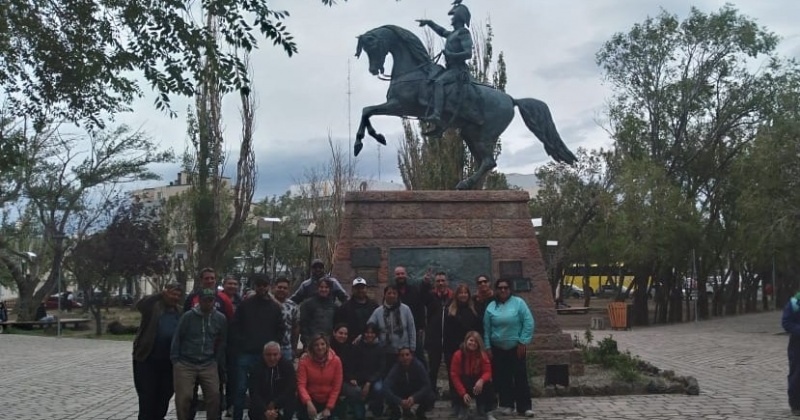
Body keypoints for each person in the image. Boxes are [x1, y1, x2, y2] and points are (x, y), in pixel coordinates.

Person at [415, 0, 474, 137]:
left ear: (459, 17)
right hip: (449, 69)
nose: (451, 19)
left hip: (458, 70)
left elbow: (468, 53)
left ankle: (437, 115)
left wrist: (451, 55)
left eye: (453, 16)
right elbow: (442, 31)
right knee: (430, 80)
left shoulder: (463, 33)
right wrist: (429, 23)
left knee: (439, 83)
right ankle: (438, 122)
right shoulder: (452, 34)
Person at [230, 276, 285, 420]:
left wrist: (273, 347)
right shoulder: (245, 305)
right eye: (259, 285)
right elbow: (235, 327)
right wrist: (242, 343)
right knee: (241, 389)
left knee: (262, 390)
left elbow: (281, 329)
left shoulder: (275, 307)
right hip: (246, 353)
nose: (262, 288)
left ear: (269, 286)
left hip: (265, 357)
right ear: (255, 286)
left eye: (265, 285)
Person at [171, 288, 228, 420]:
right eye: (205, 300)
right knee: (184, 397)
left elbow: (223, 340)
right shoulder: (188, 317)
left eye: (211, 300)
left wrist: (216, 359)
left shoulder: (220, 318)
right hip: (186, 362)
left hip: (208, 362)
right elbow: (177, 337)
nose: (208, 303)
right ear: (199, 301)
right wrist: (176, 361)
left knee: (214, 395)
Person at [483, 279, 535, 418]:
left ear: (510, 289)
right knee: (503, 377)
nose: (503, 290)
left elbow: (528, 322)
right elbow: (486, 329)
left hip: (516, 348)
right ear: (496, 290)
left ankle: (524, 407)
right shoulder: (491, 307)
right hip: (498, 349)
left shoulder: (519, 303)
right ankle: (507, 404)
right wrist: (487, 347)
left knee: (520, 376)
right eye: (500, 288)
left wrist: (523, 342)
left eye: (506, 287)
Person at [132, 282, 184, 420]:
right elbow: (140, 304)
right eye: (172, 293)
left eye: (178, 295)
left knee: (164, 397)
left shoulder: (180, 312)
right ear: (165, 293)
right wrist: (159, 294)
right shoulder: (153, 307)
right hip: (147, 360)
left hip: (169, 363)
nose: (175, 297)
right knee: (147, 398)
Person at [443, 283, 483, 408]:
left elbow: (478, 329)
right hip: (454, 349)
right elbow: (447, 331)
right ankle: (457, 404)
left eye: (465, 292)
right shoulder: (450, 309)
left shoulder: (474, 309)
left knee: (469, 376)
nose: (463, 295)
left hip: (472, 349)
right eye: (460, 292)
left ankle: (472, 402)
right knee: (455, 377)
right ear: (456, 295)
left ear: (469, 294)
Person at [367, 285, 416, 374]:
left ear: (398, 295)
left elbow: (411, 329)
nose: (392, 295)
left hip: (402, 350)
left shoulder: (405, 309)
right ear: (384, 295)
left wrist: (412, 347)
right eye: (389, 293)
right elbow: (369, 327)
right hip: (385, 350)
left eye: (394, 293)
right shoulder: (378, 311)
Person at [296, 333, 344, 420]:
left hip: (329, 399)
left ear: (327, 345)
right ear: (312, 347)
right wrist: (309, 403)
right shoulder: (304, 361)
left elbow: (336, 386)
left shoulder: (336, 361)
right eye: (316, 345)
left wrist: (328, 407)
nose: (320, 347)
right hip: (310, 398)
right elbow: (301, 385)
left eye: (322, 344)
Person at [450, 331, 496, 420]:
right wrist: (463, 393)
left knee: (488, 383)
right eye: (471, 340)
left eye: (476, 342)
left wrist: (481, 380)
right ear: (466, 340)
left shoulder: (482, 355)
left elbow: (488, 371)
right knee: (457, 384)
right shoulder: (457, 355)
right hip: (463, 384)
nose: (473, 343)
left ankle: (486, 409)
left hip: (476, 384)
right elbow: (454, 375)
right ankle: (462, 408)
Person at [421, 271, 453, 393]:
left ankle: (454, 397)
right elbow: (422, 296)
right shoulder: (430, 296)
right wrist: (424, 283)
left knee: (452, 369)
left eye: (443, 280)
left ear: (447, 282)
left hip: (450, 339)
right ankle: (430, 396)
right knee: (432, 370)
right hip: (434, 339)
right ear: (435, 283)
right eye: (438, 281)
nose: (440, 283)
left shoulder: (453, 297)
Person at [248, 342, 297, 420]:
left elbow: (291, 388)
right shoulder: (256, 368)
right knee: (253, 410)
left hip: (280, 403)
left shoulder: (287, 366)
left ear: (280, 355)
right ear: (263, 355)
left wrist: (275, 403)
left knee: (290, 403)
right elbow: (253, 392)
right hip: (263, 404)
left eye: (275, 354)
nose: (272, 358)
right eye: (268, 355)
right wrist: (265, 410)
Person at [384, 347, 436, 420]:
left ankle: (420, 412)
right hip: (401, 393)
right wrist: (399, 401)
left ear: (412, 356)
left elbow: (427, 385)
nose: (405, 357)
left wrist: (414, 397)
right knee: (386, 393)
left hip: (415, 392)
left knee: (431, 396)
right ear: (399, 358)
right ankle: (396, 412)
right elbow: (386, 386)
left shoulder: (418, 365)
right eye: (402, 355)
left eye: (407, 355)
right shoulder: (396, 368)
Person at [348, 322, 386, 419]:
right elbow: (352, 364)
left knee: (379, 389)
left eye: (372, 333)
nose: (369, 335)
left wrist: (369, 382)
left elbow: (381, 369)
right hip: (360, 377)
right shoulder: (358, 346)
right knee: (355, 390)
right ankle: (357, 409)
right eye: (367, 332)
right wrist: (352, 378)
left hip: (375, 378)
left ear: (376, 334)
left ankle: (376, 409)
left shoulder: (380, 348)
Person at [393, 266, 426, 364]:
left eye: (402, 273)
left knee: (419, 357)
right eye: (398, 274)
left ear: (406, 275)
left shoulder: (414, 290)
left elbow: (420, 308)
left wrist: (421, 327)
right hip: (396, 331)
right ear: (395, 276)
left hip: (414, 330)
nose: (400, 276)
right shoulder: (392, 292)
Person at [335, 277, 379, 344]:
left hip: (370, 344)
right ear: (352, 289)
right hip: (351, 344)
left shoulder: (374, 306)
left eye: (362, 288)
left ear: (366, 289)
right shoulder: (344, 307)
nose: (360, 290)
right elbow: (339, 326)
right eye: (357, 288)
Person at [299, 278, 338, 350]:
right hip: (311, 344)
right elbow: (303, 325)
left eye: (326, 287)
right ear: (317, 288)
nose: (323, 289)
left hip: (328, 344)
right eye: (321, 287)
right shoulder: (307, 304)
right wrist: (307, 342)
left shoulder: (334, 306)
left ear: (330, 289)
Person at [272, 277, 300, 361]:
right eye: (279, 287)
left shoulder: (293, 306)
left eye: (285, 288)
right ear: (274, 288)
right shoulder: (267, 302)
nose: (282, 290)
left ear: (288, 290)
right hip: (268, 347)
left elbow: (296, 328)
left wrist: (295, 348)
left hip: (286, 348)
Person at [782, 291, 800, 416]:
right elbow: (786, 322)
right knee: (797, 374)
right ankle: (796, 405)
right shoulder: (794, 303)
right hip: (797, 345)